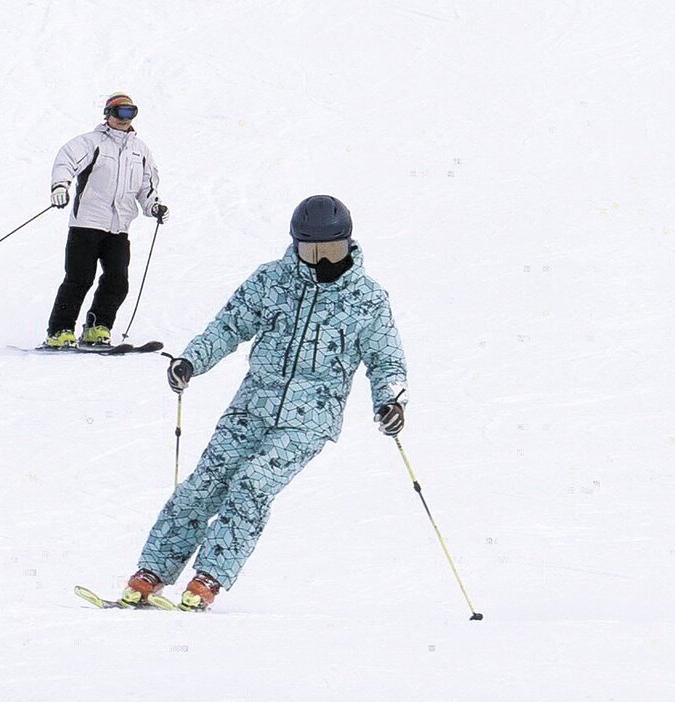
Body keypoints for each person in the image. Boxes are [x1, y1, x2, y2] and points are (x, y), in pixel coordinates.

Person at [120, 195, 408, 610]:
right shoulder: (271, 281)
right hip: (252, 404)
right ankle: (152, 571)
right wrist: (192, 360)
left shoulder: (367, 299)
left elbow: (386, 359)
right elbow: (229, 325)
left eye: (332, 251)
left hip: (309, 419)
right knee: (203, 484)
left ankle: (209, 578)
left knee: (252, 485)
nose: (323, 262)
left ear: (348, 244)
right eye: (312, 251)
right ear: (296, 246)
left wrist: (391, 401)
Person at [45, 93, 169, 347]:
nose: (124, 119)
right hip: (87, 224)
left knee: (117, 281)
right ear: (107, 114)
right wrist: (60, 186)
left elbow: (146, 186)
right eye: (119, 113)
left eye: (130, 113)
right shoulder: (91, 143)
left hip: (119, 227)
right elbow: (65, 161)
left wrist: (153, 206)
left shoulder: (140, 150)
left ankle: (97, 327)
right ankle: (59, 331)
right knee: (79, 279)